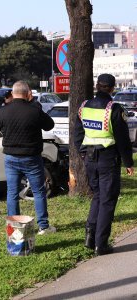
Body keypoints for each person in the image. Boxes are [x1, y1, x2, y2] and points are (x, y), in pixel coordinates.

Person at [74, 73, 134, 256]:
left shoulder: (83, 106)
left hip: (90, 158)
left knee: (98, 196)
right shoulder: (113, 108)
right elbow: (123, 139)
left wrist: (83, 154)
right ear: (112, 88)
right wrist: (128, 162)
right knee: (108, 200)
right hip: (108, 159)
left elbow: (77, 135)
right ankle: (101, 244)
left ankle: (89, 238)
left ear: (97, 86)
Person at [0, 80, 56, 235]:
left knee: (12, 193)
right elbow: (49, 125)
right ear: (29, 94)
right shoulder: (34, 110)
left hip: (11, 157)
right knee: (39, 191)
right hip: (31, 157)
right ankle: (43, 226)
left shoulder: (2, 111)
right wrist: (35, 105)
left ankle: (15, 227)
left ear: (12, 94)